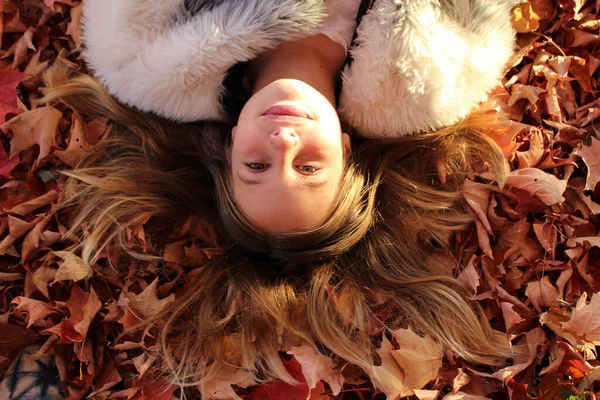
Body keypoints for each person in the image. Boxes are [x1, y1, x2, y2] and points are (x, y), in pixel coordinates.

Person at [30, 0, 523, 396]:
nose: (284, 143)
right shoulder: (434, 75)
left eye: (256, 167)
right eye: (310, 168)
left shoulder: (149, 57)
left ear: (229, 149)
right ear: (347, 151)